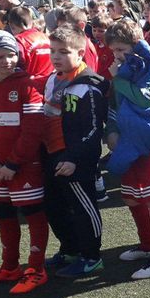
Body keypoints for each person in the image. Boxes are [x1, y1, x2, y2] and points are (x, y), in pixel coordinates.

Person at [0, 29, 50, 294]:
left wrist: (12, 164)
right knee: (3, 213)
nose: (7, 61)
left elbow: (32, 131)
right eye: (0, 56)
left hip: (23, 166)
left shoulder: (28, 87)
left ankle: (37, 269)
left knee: (32, 212)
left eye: (11, 55)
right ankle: (9, 267)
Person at [104, 20, 150, 280]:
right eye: (114, 51)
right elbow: (115, 105)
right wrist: (111, 130)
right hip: (129, 141)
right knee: (131, 196)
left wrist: (118, 80)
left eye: (122, 49)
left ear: (136, 46)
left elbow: (146, 99)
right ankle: (147, 245)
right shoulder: (123, 70)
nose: (118, 56)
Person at [40, 26, 108, 278]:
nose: (56, 56)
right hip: (52, 153)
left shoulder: (87, 87)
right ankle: (70, 248)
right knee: (54, 205)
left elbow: (92, 130)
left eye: (63, 52)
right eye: (52, 51)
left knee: (83, 207)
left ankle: (92, 257)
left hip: (75, 158)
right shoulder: (52, 79)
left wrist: (72, 158)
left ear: (80, 53)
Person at [5, 6, 53, 80]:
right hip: (50, 81)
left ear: (12, 26)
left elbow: (17, 64)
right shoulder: (46, 37)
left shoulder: (19, 40)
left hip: (31, 85)